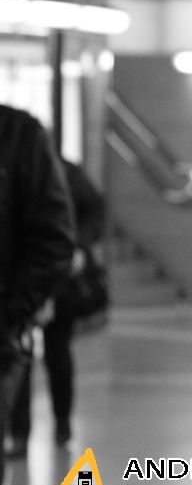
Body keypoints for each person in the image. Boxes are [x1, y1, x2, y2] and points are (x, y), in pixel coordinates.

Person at [0, 105, 76, 485]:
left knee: (58, 358)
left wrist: (12, 316)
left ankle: (54, 424)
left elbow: (55, 235)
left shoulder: (19, 135)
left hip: (4, 337)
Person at [7, 156, 105, 456]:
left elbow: (94, 210)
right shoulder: (16, 172)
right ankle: (19, 434)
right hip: (22, 279)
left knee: (57, 353)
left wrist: (81, 247)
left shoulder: (67, 174)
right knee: (19, 354)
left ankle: (62, 423)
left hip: (59, 278)